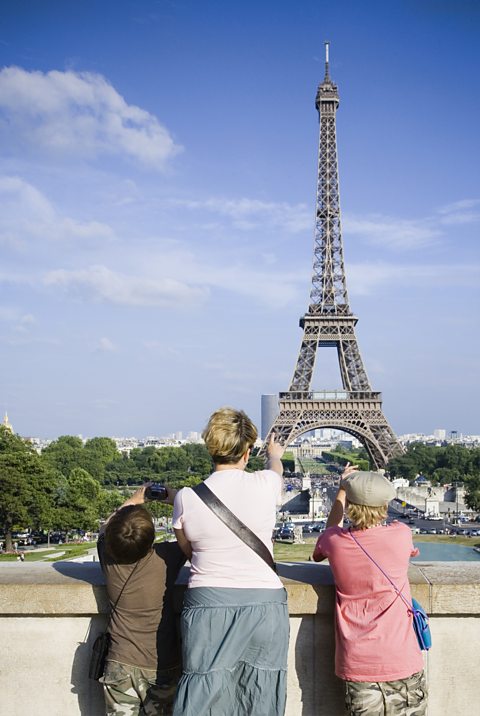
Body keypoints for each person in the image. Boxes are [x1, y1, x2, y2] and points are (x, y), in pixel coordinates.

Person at [172, 407, 289, 716]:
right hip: (264, 603)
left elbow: (188, 550)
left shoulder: (187, 496)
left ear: (211, 448)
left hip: (208, 601)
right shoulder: (266, 483)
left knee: (203, 691)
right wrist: (274, 454)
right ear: (248, 451)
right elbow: (276, 470)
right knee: (260, 693)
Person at [313, 466, 427, 716]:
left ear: (351, 506)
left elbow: (326, 538)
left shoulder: (334, 541)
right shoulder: (401, 534)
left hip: (358, 663)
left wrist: (342, 489)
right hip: (402, 659)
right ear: (385, 506)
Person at [97, 486, 186, 716]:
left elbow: (108, 528)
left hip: (120, 661)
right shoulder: (166, 557)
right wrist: (175, 497)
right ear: (152, 537)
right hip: (161, 662)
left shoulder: (108, 556)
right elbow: (195, 532)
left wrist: (134, 500)